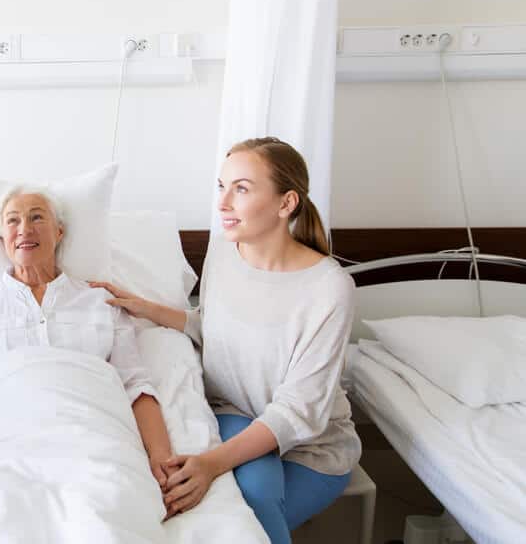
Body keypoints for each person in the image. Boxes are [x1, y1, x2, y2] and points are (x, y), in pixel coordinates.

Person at [93, 137, 361, 544]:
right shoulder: (223, 251)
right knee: (252, 493)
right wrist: (147, 308)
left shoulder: (329, 288)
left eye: (242, 189)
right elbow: (216, 327)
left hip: (313, 450)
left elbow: (298, 411)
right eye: (222, 186)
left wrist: (209, 464)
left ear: (286, 203)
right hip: (236, 414)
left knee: (250, 503)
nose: (222, 203)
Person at [0, 188, 174, 530]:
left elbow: (136, 386)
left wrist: (162, 458)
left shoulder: (100, 302)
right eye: (13, 221)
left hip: (93, 440)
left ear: (59, 231)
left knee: (109, 513)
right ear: (1, 237)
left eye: (37, 217)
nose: (24, 228)